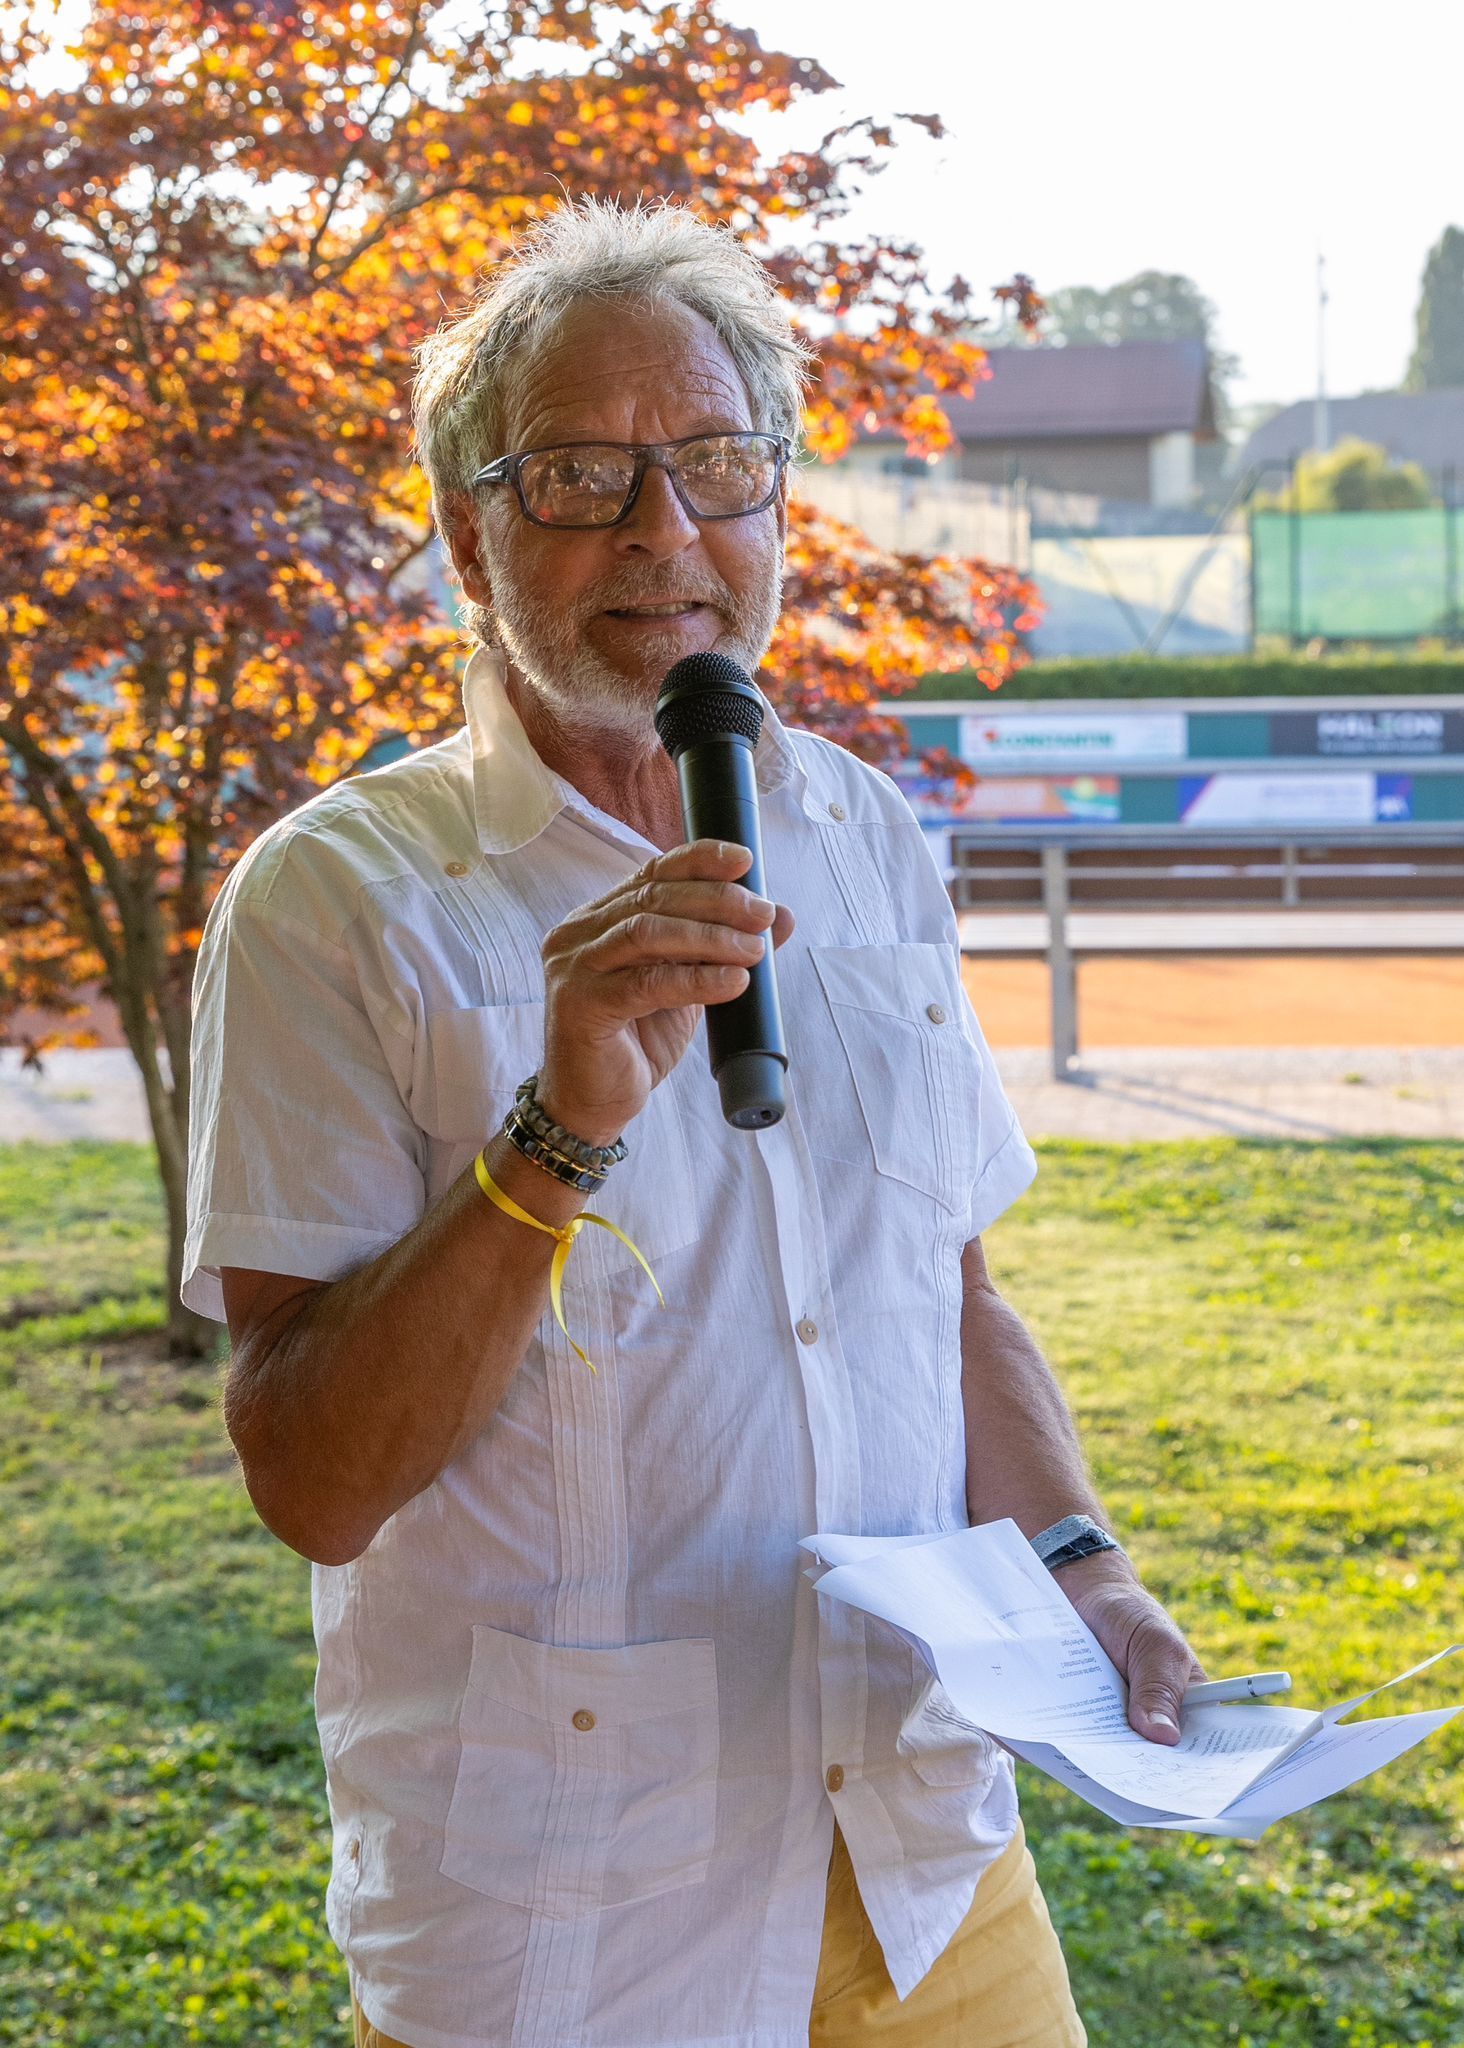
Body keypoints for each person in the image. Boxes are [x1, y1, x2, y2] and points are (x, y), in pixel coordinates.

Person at [184, 200, 1204, 2048]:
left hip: (925, 1858)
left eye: (719, 465)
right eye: (579, 475)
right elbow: (312, 1479)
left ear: (779, 504)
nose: (666, 534)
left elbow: (948, 1302)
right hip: (571, 1929)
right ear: (464, 534)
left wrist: (1088, 1569)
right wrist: (549, 1140)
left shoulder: (866, 832)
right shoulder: (335, 901)